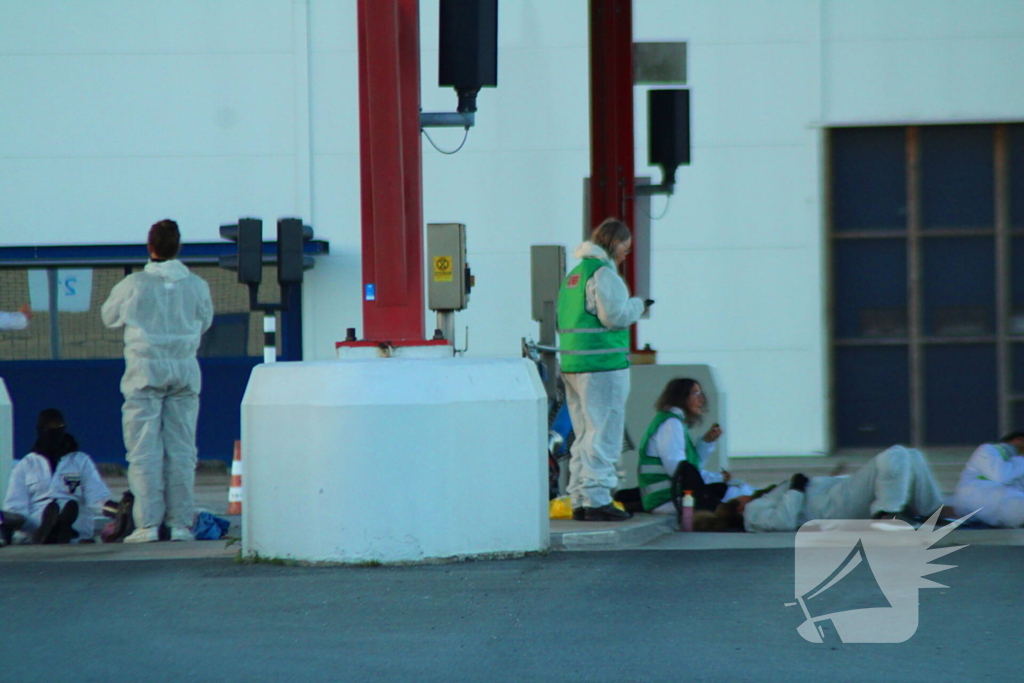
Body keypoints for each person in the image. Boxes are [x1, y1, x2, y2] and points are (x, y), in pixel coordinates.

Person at [102, 219, 213, 543]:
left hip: (144, 370)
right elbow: (204, 321)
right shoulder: (196, 285)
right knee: (181, 451)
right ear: (178, 247)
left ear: (150, 247)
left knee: (143, 451)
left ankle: (147, 525)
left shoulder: (134, 284)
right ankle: (180, 524)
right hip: (184, 369)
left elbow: (108, 317)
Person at [557, 218, 647, 521]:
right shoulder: (604, 273)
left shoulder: (575, 275)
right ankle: (597, 499)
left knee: (583, 435)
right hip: (602, 366)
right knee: (603, 433)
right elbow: (615, 317)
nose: (627, 254)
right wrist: (638, 305)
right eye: (626, 247)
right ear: (615, 242)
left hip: (573, 364)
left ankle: (580, 498)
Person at [720, 445, 945, 532]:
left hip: (839, 495)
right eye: (741, 497)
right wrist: (795, 489)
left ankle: (931, 510)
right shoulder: (752, 512)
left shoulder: (764, 499)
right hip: (836, 508)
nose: (746, 494)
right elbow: (783, 521)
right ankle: (887, 514)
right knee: (894, 456)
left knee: (911, 455)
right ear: (739, 508)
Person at [636, 377, 754, 515]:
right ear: (681, 396)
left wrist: (706, 443)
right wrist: (716, 478)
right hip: (667, 499)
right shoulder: (671, 424)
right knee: (738, 493)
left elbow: (690, 469)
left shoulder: (675, 423)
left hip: (673, 497)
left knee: (738, 491)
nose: (702, 400)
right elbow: (680, 472)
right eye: (696, 393)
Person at [2, 409, 110, 544]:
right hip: (36, 528)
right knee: (45, 514)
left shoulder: (80, 461)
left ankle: (62, 529)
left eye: (58, 426)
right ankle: (49, 531)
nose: (53, 430)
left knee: (70, 507)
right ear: (40, 429)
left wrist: (117, 511)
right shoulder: (26, 465)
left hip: (75, 527)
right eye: (49, 426)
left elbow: (97, 499)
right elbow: (15, 506)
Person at [950, 432, 1024, 528]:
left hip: (1003, 503)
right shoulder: (989, 450)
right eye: (1020, 440)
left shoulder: (1018, 463)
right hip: (977, 497)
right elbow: (1001, 476)